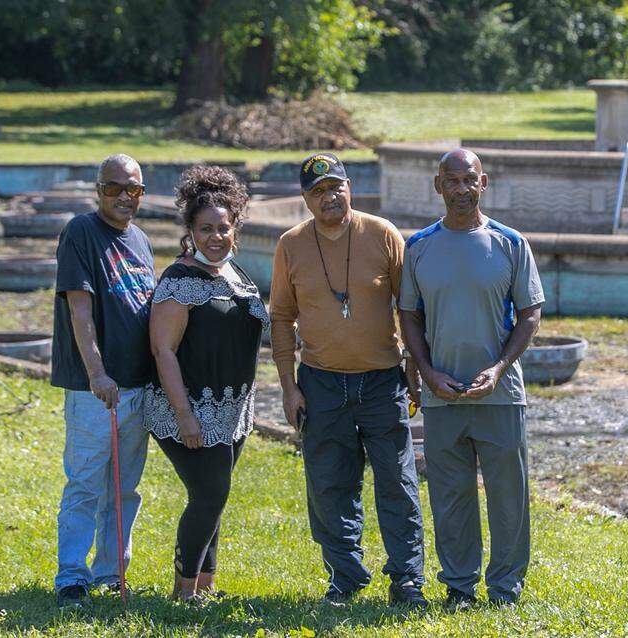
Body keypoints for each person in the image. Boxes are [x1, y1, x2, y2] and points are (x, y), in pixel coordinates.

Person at [270, 153, 427, 609]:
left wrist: (413, 367)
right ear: (305, 199)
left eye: (336, 186)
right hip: (320, 382)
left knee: (397, 482)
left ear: (350, 187)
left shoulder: (382, 234)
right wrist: (287, 385)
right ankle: (346, 575)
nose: (329, 197)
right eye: (318, 191)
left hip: (381, 381)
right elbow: (281, 317)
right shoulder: (290, 244)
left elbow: (409, 309)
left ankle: (407, 579)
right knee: (328, 483)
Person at [399, 148, 544, 608]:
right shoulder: (419, 246)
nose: (461, 189)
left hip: (501, 395)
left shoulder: (510, 243)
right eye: (452, 180)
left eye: (470, 180)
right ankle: (459, 587)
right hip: (442, 395)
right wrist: (425, 372)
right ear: (437, 185)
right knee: (450, 498)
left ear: (484, 184)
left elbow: (530, 314)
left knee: (508, 498)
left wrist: (499, 369)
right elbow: (409, 315)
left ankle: (505, 588)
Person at [144, 165, 266, 602]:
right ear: (190, 232)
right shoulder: (179, 281)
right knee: (210, 492)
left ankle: (205, 585)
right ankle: (183, 591)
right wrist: (185, 415)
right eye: (206, 229)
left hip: (233, 409)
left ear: (236, 228)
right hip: (190, 410)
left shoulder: (236, 276)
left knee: (216, 494)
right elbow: (164, 352)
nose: (216, 236)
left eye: (224, 228)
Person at [51, 153, 156, 609]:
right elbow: (80, 309)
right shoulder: (81, 232)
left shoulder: (142, 241)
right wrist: (97, 373)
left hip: (138, 386)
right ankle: (71, 577)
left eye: (133, 190)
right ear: (99, 190)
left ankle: (111, 573)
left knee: (125, 487)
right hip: (98, 387)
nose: (124, 198)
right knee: (86, 483)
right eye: (114, 188)